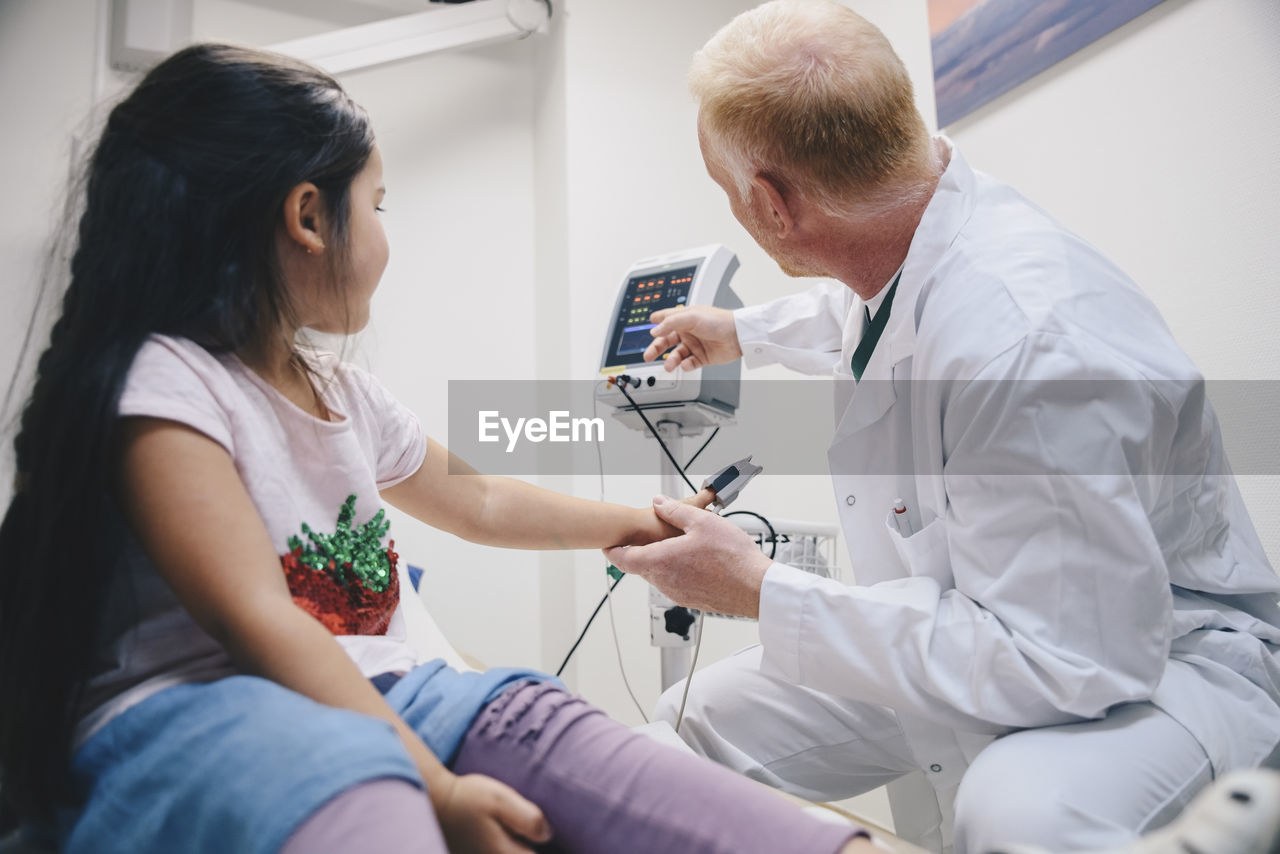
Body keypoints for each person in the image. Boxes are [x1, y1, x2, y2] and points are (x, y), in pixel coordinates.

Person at [0, 42, 879, 854]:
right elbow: (259, 622)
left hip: (386, 686)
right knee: (368, 794)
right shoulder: (168, 383)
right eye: (376, 205)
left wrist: (651, 526)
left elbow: (481, 502)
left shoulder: (339, 391)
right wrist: (437, 787)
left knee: (554, 728)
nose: (384, 234)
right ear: (308, 216)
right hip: (203, 713)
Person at [603, 2, 1280, 853]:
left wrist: (759, 589)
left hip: (1154, 658)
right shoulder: (914, 228)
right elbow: (868, 315)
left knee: (1016, 813)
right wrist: (744, 331)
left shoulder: (1025, 346)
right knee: (690, 726)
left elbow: (1065, 659)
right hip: (983, 619)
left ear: (773, 206)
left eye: (726, 191)